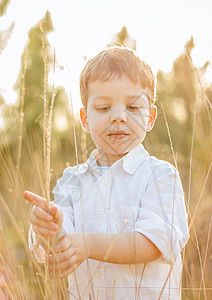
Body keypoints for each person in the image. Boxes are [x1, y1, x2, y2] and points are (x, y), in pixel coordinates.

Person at [24, 46, 189, 299]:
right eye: (103, 108)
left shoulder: (160, 177)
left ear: (150, 118)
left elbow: (154, 243)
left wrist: (89, 245)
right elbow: (62, 242)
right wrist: (47, 225)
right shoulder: (72, 181)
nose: (119, 117)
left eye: (133, 108)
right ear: (85, 119)